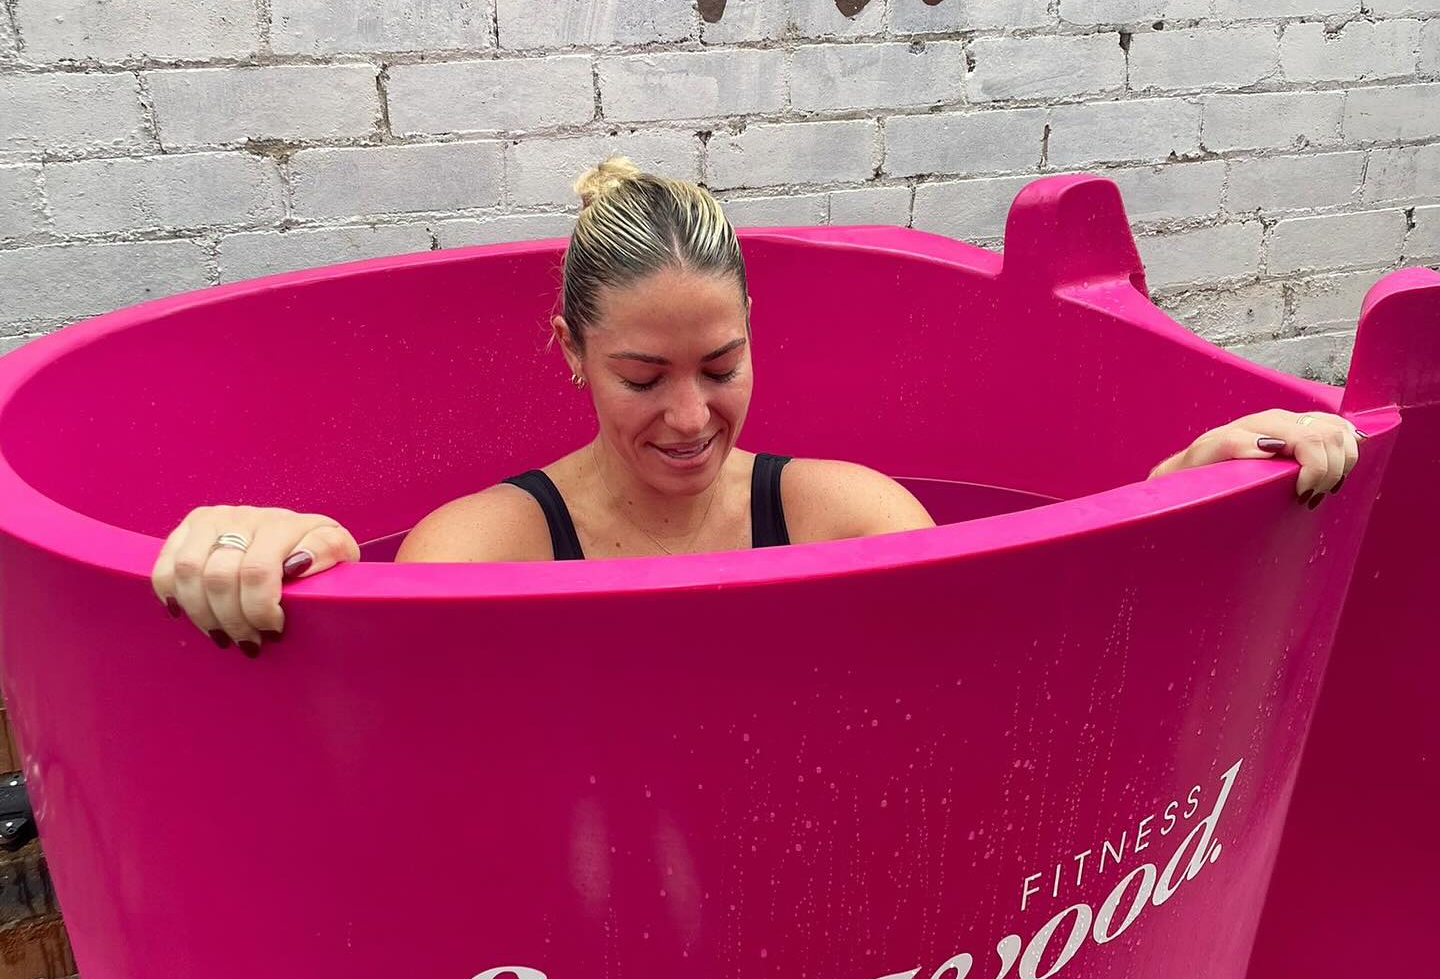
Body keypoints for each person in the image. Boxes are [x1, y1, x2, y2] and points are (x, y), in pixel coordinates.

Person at [151, 159, 1363, 657]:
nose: (689, 415)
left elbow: (1009, 655)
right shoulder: (485, 545)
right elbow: (406, 749)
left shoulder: (844, 512)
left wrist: (1193, 491)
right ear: (570, 354)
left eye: (720, 367)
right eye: (642, 376)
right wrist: (296, 566)